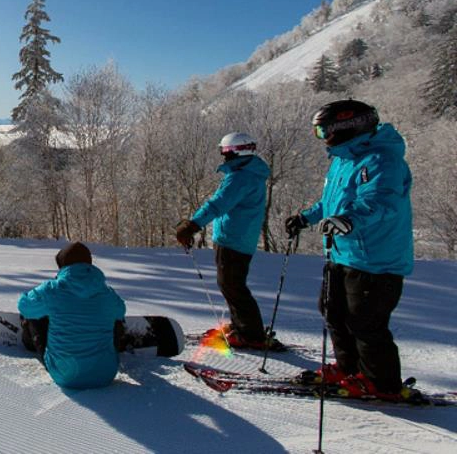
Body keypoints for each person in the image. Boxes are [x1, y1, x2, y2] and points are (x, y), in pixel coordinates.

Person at [285, 99, 415, 400]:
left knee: (366, 322)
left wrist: (348, 220)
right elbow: (331, 203)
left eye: (323, 131)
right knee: (332, 311)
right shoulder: (343, 159)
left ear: (347, 127)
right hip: (342, 253)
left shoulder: (383, 160)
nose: (322, 138)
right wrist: (307, 217)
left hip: (375, 259)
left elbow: (382, 202)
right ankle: (349, 369)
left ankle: (382, 383)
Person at [175, 132, 278, 349]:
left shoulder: (241, 177)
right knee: (231, 284)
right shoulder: (249, 172)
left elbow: (218, 204)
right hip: (240, 237)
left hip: (233, 239)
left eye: (224, 151)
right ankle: (241, 325)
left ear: (233, 152)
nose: (223, 156)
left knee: (232, 285)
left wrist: (193, 225)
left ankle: (251, 333)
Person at [17, 241, 126, 390]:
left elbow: (24, 306)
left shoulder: (52, 290)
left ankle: (30, 341)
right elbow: (121, 311)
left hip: (65, 375)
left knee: (33, 315)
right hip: (105, 375)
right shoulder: (106, 292)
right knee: (114, 318)